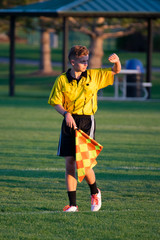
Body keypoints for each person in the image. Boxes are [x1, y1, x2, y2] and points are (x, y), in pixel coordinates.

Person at [48, 45, 121, 212]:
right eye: (82, 62)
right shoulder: (62, 79)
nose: (86, 64)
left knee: (84, 163)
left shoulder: (94, 76)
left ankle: (95, 192)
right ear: (73, 62)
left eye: (87, 61)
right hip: (69, 120)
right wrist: (66, 114)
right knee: (69, 162)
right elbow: (55, 102)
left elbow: (115, 71)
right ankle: (73, 204)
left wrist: (117, 62)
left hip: (87, 121)